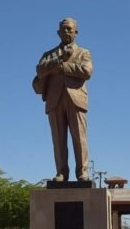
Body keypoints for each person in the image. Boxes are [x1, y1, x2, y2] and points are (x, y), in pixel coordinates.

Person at [31, 17, 93, 182]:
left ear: (76, 32)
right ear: (58, 33)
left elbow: (86, 71)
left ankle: (82, 172)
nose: (66, 32)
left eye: (69, 29)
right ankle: (61, 172)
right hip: (54, 99)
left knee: (79, 138)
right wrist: (58, 60)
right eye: (63, 29)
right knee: (58, 140)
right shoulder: (49, 55)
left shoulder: (83, 52)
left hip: (76, 99)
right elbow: (39, 70)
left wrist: (63, 67)